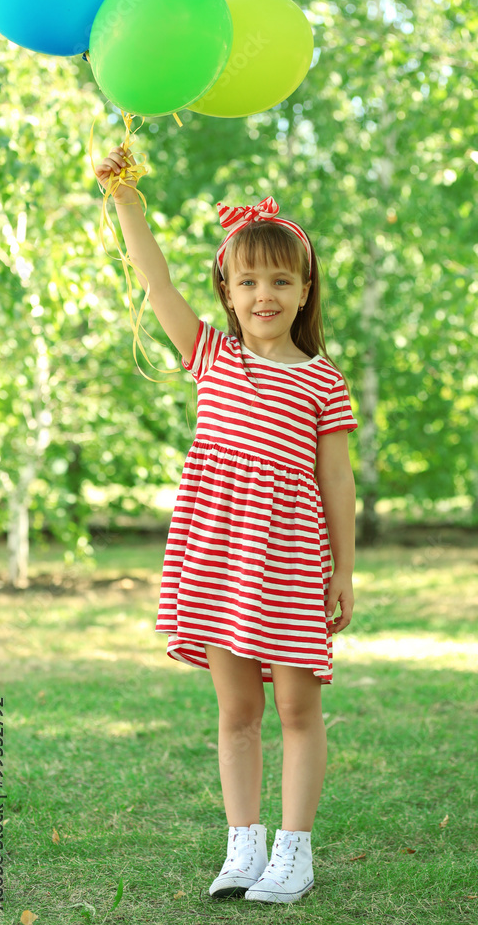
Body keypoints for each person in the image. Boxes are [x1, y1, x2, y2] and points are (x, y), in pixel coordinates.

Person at [94, 144, 358, 905]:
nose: (263, 294)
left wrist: (343, 570)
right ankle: (243, 846)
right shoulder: (211, 355)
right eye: (248, 282)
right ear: (228, 291)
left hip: (288, 561)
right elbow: (154, 279)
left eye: (280, 280)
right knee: (237, 711)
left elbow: (334, 481)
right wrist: (125, 200)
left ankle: (293, 851)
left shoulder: (322, 380)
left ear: (304, 290)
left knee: (297, 708)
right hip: (216, 558)